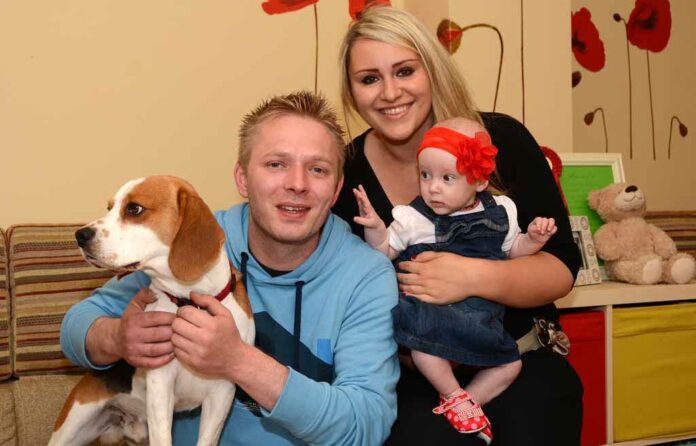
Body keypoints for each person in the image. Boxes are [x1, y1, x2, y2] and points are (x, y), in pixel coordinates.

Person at [60, 91, 400, 445]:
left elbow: (365, 426)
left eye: (317, 169)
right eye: (276, 164)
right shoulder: (194, 240)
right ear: (242, 179)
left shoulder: (366, 275)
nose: (297, 184)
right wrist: (116, 337)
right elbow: (75, 327)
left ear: (335, 190)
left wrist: (239, 361)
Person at [332, 6, 583, 445]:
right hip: (411, 379)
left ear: (431, 70)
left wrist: (468, 276)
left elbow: (561, 268)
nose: (390, 92)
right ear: (352, 92)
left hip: (518, 364)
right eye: (369, 78)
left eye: (405, 71)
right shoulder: (343, 175)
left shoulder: (500, 139)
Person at [353, 117, 558, 444]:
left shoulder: (502, 211)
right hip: (435, 320)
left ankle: (468, 401)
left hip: (483, 324)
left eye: (447, 177)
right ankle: (451, 393)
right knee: (424, 352)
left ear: (478, 181)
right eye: (425, 175)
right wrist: (375, 226)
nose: (433, 187)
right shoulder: (415, 217)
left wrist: (533, 240)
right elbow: (382, 251)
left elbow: (514, 253)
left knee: (511, 366)